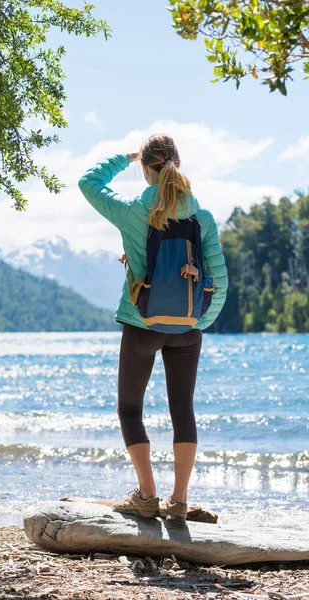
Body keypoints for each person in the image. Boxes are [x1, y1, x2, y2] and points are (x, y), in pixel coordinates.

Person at [78, 134, 228, 523]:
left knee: (130, 408)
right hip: (188, 328)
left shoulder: (131, 211)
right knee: (183, 410)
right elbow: (221, 280)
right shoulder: (202, 217)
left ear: (146, 169)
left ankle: (146, 495)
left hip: (140, 323)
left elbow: (88, 183)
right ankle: (178, 501)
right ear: (178, 164)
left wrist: (123, 158)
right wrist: (198, 322)